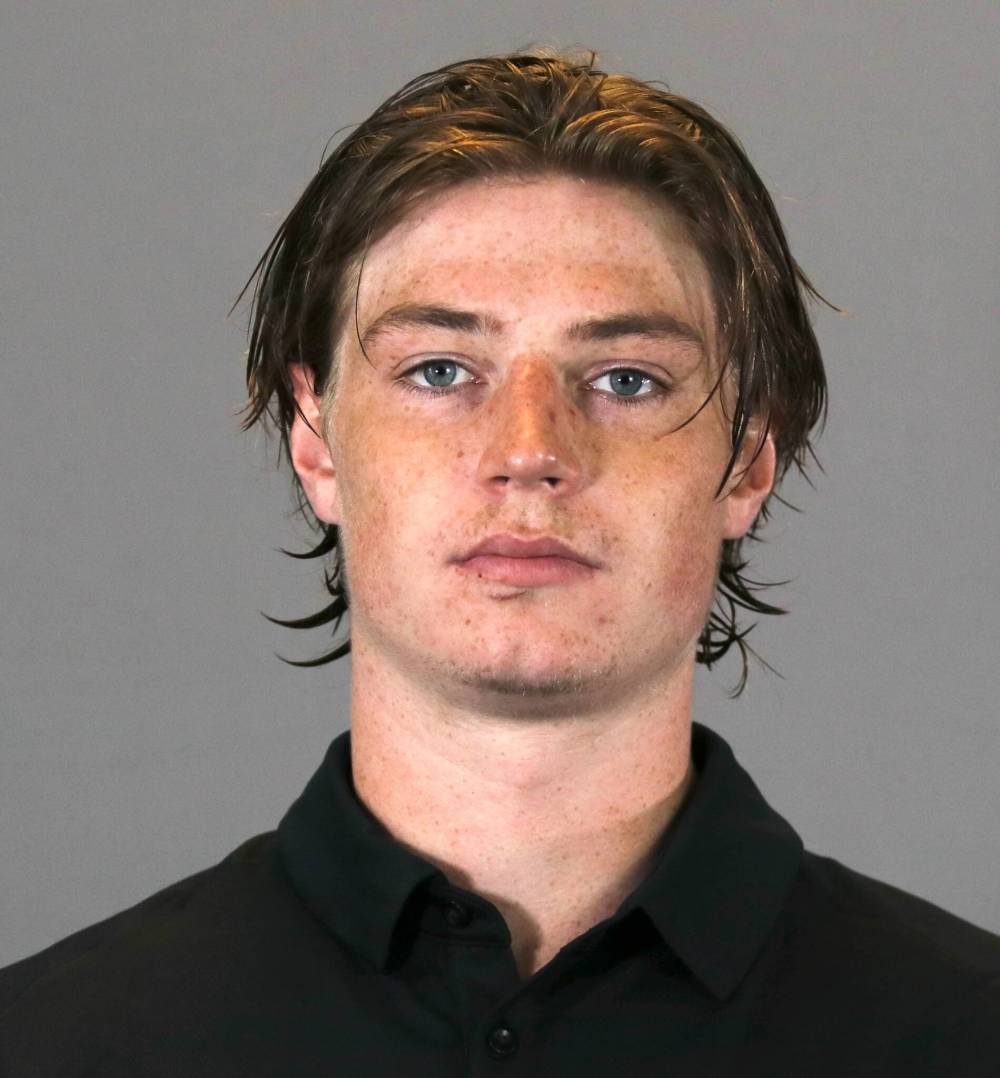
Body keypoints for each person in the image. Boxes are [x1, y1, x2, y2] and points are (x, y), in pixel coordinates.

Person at [2, 50, 998, 1076]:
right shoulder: (51, 1044)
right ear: (317, 443)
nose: (530, 449)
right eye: (439, 370)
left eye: (626, 378)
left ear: (747, 461)